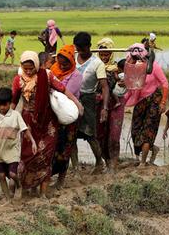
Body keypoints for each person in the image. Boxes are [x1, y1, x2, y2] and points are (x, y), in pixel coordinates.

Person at [12, 51, 82, 198]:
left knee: (46, 155)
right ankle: (28, 189)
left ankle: (43, 193)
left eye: (32, 68)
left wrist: (77, 104)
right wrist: (7, 119)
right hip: (28, 123)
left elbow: (63, 89)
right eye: (26, 68)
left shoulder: (47, 75)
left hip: (47, 122)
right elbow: (13, 102)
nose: (29, 71)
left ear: (37, 65)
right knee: (28, 156)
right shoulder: (18, 80)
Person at [0, 87, 36, 202]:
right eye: (0, 105)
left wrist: (33, 142)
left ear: (10, 103)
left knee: (12, 174)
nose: (2, 108)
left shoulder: (15, 115)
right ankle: (7, 199)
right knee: (0, 175)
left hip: (12, 151)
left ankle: (18, 185)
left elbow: (24, 129)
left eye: (5, 105)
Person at [124, 43, 169, 166]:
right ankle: (146, 152)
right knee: (136, 130)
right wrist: (122, 102)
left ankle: (143, 162)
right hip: (140, 101)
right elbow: (130, 88)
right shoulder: (132, 69)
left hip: (154, 100)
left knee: (148, 130)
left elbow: (165, 84)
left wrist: (163, 102)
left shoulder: (153, 67)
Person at [73, 32, 109, 173]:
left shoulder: (97, 63)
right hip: (72, 100)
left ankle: (99, 163)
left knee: (90, 134)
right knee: (71, 135)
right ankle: (75, 167)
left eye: (83, 48)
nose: (80, 52)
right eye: (78, 48)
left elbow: (104, 86)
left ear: (89, 46)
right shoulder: (71, 59)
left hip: (88, 101)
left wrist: (105, 108)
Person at [50, 45, 83, 189]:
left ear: (71, 61)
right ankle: (50, 176)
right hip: (54, 115)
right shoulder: (53, 70)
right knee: (53, 147)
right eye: (60, 63)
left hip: (69, 117)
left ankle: (61, 179)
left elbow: (65, 93)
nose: (62, 67)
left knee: (65, 148)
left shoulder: (76, 75)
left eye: (66, 64)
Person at [95, 38, 125, 172]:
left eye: (106, 54)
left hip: (116, 104)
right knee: (100, 134)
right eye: (101, 54)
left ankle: (113, 163)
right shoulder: (94, 66)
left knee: (114, 134)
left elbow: (129, 81)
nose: (104, 57)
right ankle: (105, 161)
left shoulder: (117, 68)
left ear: (111, 53)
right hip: (99, 103)